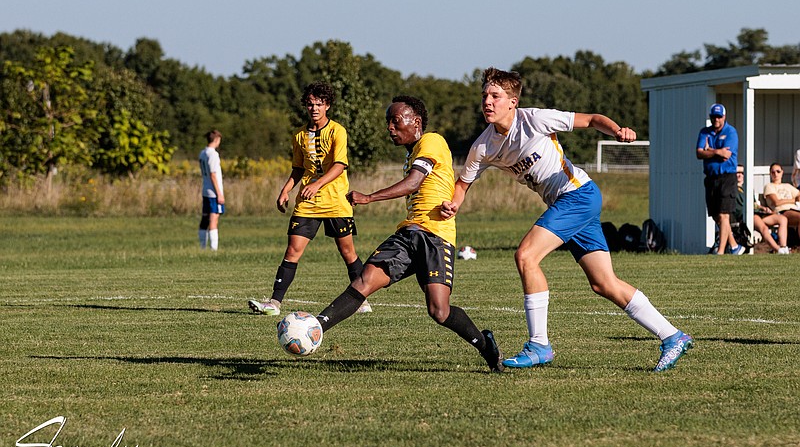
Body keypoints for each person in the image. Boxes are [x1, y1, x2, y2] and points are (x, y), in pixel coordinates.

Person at [440, 67, 693, 373]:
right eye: (484, 96)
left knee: (526, 256)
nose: (487, 102)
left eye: (495, 96)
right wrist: (453, 204)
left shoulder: (534, 119)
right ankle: (673, 336)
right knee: (604, 284)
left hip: (578, 195)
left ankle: (539, 345)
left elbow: (591, 119)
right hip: (568, 204)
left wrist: (616, 131)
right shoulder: (483, 146)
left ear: (513, 102)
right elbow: (463, 184)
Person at [315, 96, 504, 373]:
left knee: (439, 311)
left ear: (416, 122)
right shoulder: (412, 153)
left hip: (435, 236)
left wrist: (369, 197)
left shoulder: (432, 141)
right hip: (408, 234)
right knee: (364, 281)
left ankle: (486, 346)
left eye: (395, 120)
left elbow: (414, 182)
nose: (390, 127)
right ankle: (315, 327)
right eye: (387, 122)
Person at [248, 82, 371, 316]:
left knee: (348, 252)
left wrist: (316, 184)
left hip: (336, 201)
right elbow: (297, 168)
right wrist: (285, 190)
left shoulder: (338, 131)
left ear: (327, 106)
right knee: (292, 250)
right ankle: (274, 303)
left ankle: (361, 299)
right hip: (307, 203)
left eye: (319, 104)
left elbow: (339, 165)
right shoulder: (299, 135)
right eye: (310, 104)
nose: (314, 108)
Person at [696, 103, 744, 255]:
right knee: (716, 215)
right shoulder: (705, 132)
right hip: (711, 178)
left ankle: (721, 252)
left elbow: (727, 155)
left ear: (724, 116)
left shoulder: (731, 132)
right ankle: (735, 246)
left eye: (719, 116)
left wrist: (709, 150)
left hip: (727, 177)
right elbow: (699, 153)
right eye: (713, 116)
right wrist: (717, 151)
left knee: (724, 214)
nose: (716, 119)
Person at [734, 165, 790, 254]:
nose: (739, 175)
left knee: (782, 219)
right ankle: (778, 249)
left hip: (757, 213)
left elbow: (754, 204)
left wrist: (763, 208)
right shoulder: (732, 188)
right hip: (747, 215)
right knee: (763, 228)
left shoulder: (747, 188)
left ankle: (784, 246)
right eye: (737, 173)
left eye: (742, 173)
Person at [198, 129, 225, 251]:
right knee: (213, 219)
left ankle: (202, 247)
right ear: (217, 140)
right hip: (214, 192)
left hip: (205, 190)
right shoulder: (213, 154)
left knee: (205, 219)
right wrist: (219, 193)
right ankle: (214, 249)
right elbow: (213, 174)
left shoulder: (202, 153)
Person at [763, 162, 800, 241]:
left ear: (782, 172)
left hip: (795, 210)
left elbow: (798, 195)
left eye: (778, 171)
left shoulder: (788, 186)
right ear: (770, 174)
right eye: (773, 172)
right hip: (782, 212)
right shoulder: (769, 186)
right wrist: (794, 200)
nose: (775, 174)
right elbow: (777, 202)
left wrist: (795, 199)